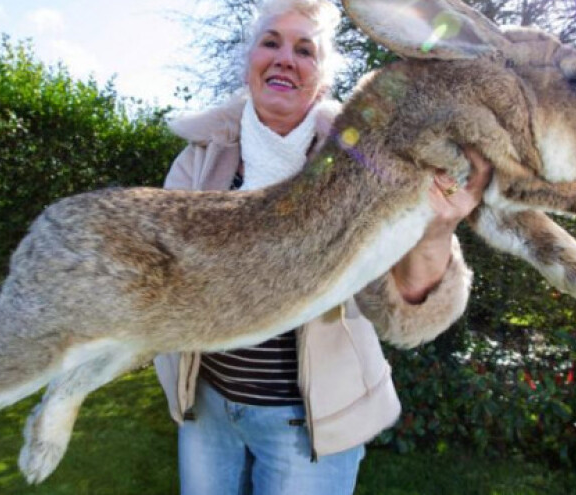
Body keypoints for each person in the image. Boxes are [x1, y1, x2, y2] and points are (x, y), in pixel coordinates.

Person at [154, 0, 492, 493]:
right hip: (207, 411)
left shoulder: (366, 164)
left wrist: (437, 232)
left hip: (309, 424)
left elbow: (407, 300)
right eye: (271, 42)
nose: (285, 58)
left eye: (305, 50)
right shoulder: (200, 158)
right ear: (249, 61)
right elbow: (163, 271)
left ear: (324, 79)